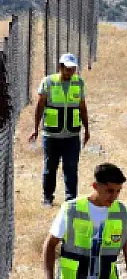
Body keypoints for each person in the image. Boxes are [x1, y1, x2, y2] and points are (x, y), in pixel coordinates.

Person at [29, 53, 89, 207]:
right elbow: (40, 106)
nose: (70, 72)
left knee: (71, 167)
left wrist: (87, 129)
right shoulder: (48, 82)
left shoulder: (79, 83)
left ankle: (71, 200)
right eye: (68, 69)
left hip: (72, 134)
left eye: (73, 69)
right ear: (60, 67)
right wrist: (35, 128)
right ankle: (47, 198)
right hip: (52, 134)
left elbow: (82, 107)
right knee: (50, 167)